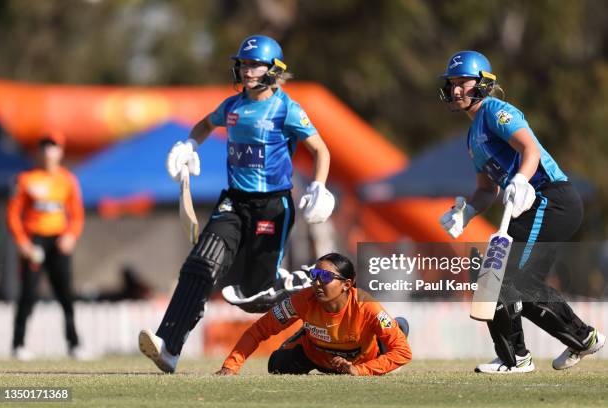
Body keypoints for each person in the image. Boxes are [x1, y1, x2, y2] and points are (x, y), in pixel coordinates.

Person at [139, 34, 335, 373]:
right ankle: (168, 346)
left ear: (274, 69)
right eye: (243, 64)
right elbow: (203, 125)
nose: (247, 71)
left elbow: (321, 150)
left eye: (255, 65)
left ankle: (300, 280)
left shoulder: (286, 108)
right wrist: (189, 145)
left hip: (273, 207)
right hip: (234, 202)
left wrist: (319, 186)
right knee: (202, 262)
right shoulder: (232, 106)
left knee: (251, 297)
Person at [438, 51, 605, 373]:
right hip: (530, 206)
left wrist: (521, 178)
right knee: (502, 280)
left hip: (551, 200)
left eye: (463, 82)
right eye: (452, 83)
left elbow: (529, 149)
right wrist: (468, 211)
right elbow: (488, 189)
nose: (456, 89)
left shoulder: (496, 111)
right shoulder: (473, 136)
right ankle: (570, 342)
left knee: (503, 278)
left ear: (484, 84)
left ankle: (522, 357)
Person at [215, 252, 412, 376]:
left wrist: (359, 370)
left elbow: (403, 353)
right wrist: (231, 366)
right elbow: (260, 329)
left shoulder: (367, 306)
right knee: (277, 366)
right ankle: (305, 332)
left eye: (325, 277)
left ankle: (394, 331)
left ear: (347, 285)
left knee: (394, 340)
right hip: (317, 356)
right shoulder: (303, 300)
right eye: (314, 276)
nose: (317, 283)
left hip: (359, 361)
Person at [7, 130, 86, 360]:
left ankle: (74, 344)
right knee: (28, 295)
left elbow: (77, 215)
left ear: (60, 152)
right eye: (44, 146)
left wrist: (70, 236)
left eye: (52, 146)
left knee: (65, 296)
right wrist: (23, 243)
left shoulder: (67, 180)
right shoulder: (25, 179)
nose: (48, 151)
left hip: (58, 242)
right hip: (34, 242)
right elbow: (13, 215)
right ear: (39, 152)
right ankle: (18, 344)